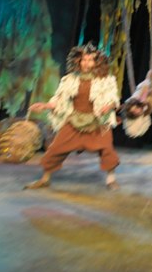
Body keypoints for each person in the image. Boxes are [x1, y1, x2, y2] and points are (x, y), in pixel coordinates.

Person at [24, 43, 122, 190]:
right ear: (78, 61)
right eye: (84, 60)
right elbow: (59, 99)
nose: (86, 63)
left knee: (107, 149)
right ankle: (45, 179)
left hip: (98, 122)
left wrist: (108, 106)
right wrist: (45, 105)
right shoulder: (69, 79)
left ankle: (111, 179)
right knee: (55, 148)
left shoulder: (106, 80)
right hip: (74, 120)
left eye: (90, 60)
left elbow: (114, 99)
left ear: (97, 62)